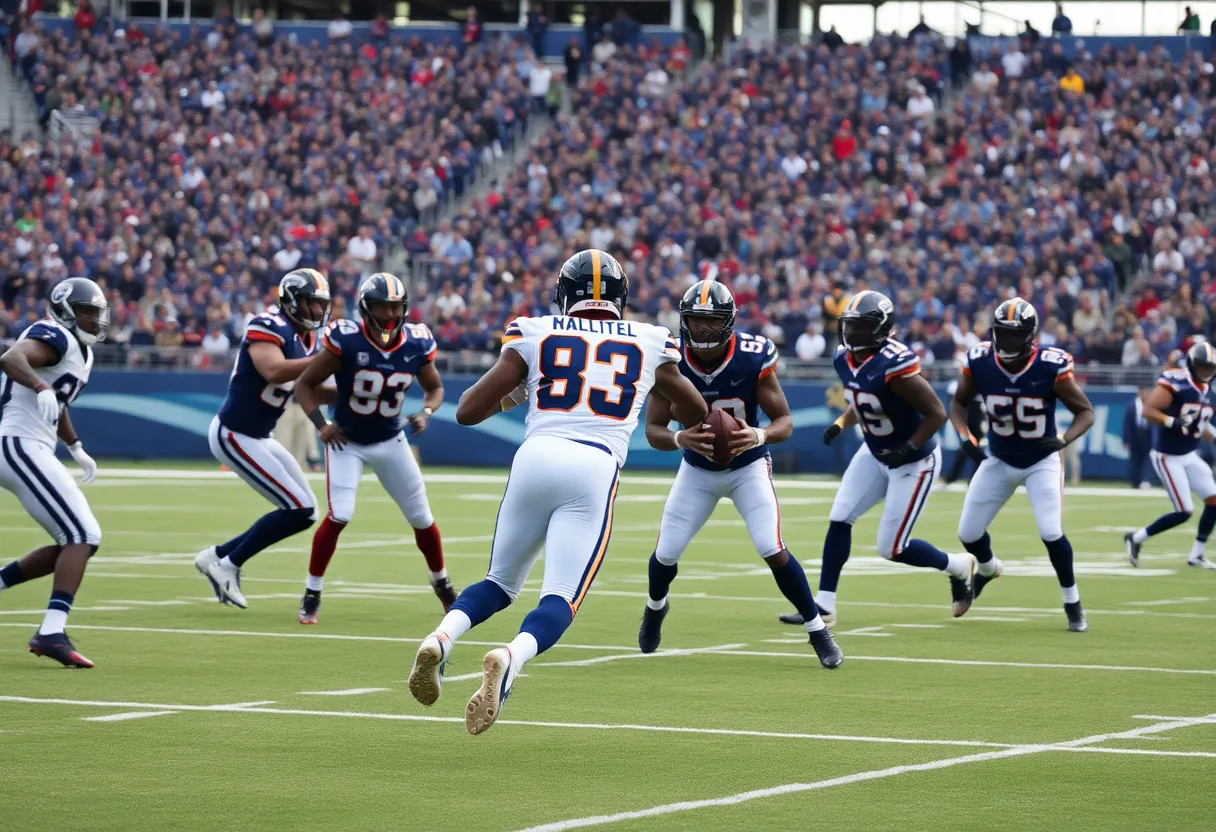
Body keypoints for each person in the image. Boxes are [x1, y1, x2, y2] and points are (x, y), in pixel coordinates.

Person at [406, 250, 708, 735]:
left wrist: (519, 389)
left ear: (563, 295)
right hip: (593, 464)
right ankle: (511, 656)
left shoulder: (535, 329)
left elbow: (466, 410)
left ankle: (441, 638)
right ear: (621, 298)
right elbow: (696, 413)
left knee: (499, 583)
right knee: (562, 597)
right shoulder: (651, 339)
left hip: (536, 455)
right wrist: (650, 384)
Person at [639, 280, 842, 668]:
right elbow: (654, 432)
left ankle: (818, 629)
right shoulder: (669, 358)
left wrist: (758, 433)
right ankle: (655, 608)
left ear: (728, 321)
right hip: (697, 469)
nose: (700, 329)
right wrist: (682, 437)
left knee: (772, 547)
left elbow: (784, 421)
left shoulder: (752, 356)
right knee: (666, 552)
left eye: (710, 321)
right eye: (695, 320)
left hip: (747, 466)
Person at [780, 291, 976, 628]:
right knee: (840, 516)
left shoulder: (896, 364)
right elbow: (864, 400)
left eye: (861, 327)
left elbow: (936, 414)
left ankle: (957, 566)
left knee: (892, 548)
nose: (851, 334)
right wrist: (841, 423)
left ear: (881, 329)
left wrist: (909, 447)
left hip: (915, 462)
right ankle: (824, 606)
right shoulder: (844, 357)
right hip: (874, 451)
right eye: (849, 326)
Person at [294, 273, 456, 624]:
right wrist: (322, 426)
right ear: (366, 309)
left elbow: (435, 389)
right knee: (341, 514)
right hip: (347, 441)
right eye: (383, 306)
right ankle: (312, 592)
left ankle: (442, 584)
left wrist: (426, 413)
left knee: (422, 517)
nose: (390, 315)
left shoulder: (416, 342)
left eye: (395, 307)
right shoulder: (345, 339)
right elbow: (304, 384)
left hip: (391, 439)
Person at [950, 299, 1095, 632]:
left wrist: (1063, 440)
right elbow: (958, 403)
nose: (1008, 342)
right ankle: (987, 569)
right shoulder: (980, 360)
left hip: (1040, 459)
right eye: (1003, 334)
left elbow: (1085, 412)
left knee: (1050, 531)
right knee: (967, 533)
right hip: (999, 457)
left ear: (1031, 336)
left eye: (1016, 335)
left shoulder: (1049, 365)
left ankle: (1072, 602)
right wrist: (963, 435)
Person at [195, 269, 331, 608]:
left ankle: (216, 557)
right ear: (290, 301)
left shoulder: (308, 339)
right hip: (234, 433)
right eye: (310, 304)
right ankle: (228, 565)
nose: (317, 311)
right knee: (297, 507)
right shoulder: (268, 324)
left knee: (308, 510)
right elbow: (273, 370)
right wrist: (323, 361)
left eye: (320, 305)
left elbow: (308, 388)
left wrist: (359, 391)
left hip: (259, 435)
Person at [0, 277, 107, 667]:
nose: (94, 320)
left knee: (73, 542)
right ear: (65, 311)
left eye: (97, 313)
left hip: (33, 445)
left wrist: (75, 445)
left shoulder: (82, 352)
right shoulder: (54, 334)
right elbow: (12, 358)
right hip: (17, 441)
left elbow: (57, 400)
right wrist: (38, 388)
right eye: (86, 312)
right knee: (83, 534)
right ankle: (50, 632)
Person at [1125, 342, 1216, 570]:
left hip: (1189, 454)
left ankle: (1197, 554)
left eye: (1211, 367)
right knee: (1184, 511)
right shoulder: (1177, 383)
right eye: (1203, 366)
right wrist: (1171, 421)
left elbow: (1199, 423)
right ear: (1193, 365)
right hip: (1167, 455)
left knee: (1214, 500)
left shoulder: (1209, 392)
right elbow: (1148, 411)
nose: (1207, 371)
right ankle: (1135, 538)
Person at [942, 372, 986, 485]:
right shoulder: (957, 386)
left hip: (974, 418)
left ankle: (957, 476)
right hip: (966, 419)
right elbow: (955, 405)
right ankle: (957, 476)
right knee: (969, 448)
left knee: (971, 449)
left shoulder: (978, 383)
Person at [1123, 388, 1153, 489]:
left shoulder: (1151, 405)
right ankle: (1135, 481)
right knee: (1135, 459)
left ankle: (1144, 479)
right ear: (1140, 392)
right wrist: (1126, 440)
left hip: (1147, 435)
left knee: (1146, 459)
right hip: (1134, 436)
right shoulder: (1131, 406)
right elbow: (1126, 424)